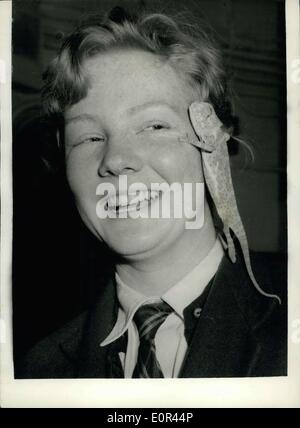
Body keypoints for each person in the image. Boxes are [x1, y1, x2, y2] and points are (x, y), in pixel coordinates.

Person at [15, 6, 286, 378]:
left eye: (154, 125)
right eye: (89, 137)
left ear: (214, 138)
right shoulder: (39, 372)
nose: (116, 159)